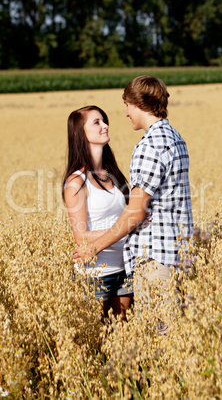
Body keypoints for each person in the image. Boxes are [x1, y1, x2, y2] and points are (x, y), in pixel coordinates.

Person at [72, 77, 193, 333]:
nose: (126, 113)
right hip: (178, 255)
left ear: (139, 103)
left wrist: (93, 247)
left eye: (127, 105)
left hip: (156, 259)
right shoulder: (177, 138)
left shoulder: (148, 145)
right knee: (172, 337)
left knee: (161, 340)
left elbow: (135, 212)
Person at [62, 105, 133, 320]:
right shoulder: (76, 181)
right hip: (95, 274)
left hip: (124, 268)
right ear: (80, 134)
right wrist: (128, 226)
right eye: (97, 122)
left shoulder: (113, 175)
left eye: (104, 120)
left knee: (123, 338)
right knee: (96, 342)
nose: (105, 125)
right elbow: (81, 236)